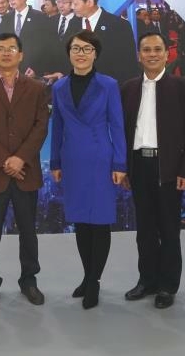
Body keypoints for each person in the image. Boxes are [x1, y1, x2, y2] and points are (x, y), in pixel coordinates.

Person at [121, 32, 185, 309]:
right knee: (144, 230)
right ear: (139, 55)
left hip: (168, 167)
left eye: (158, 49)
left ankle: (167, 286)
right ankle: (147, 280)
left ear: (167, 54)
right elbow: (121, 131)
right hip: (138, 165)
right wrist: (124, 168)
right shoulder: (128, 88)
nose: (152, 54)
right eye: (146, 49)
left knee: (169, 230)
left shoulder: (183, 87)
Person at [0, 33, 49, 307]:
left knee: (28, 232)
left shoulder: (37, 88)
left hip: (26, 172)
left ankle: (29, 280)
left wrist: (20, 159)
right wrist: (6, 160)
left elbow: (41, 126)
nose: (6, 53)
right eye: (1, 49)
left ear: (21, 55)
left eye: (11, 49)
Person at [50, 30, 127, 309]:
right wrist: (55, 161)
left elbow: (117, 124)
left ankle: (94, 281)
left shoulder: (108, 85)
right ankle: (87, 275)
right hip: (72, 160)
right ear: (69, 53)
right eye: (76, 48)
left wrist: (120, 163)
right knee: (81, 221)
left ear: (95, 54)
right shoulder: (59, 87)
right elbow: (57, 126)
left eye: (86, 49)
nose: (80, 54)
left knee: (100, 221)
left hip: (100, 159)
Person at [70, 0, 139, 83]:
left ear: (89, 2)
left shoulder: (119, 25)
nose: (72, 7)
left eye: (75, 3)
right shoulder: (73, 24)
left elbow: (128, 63)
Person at [0, 0, 55, 77]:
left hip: (31, 71)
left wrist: (37, 69)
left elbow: (46, 46)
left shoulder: (40, 17)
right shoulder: (6, 18)